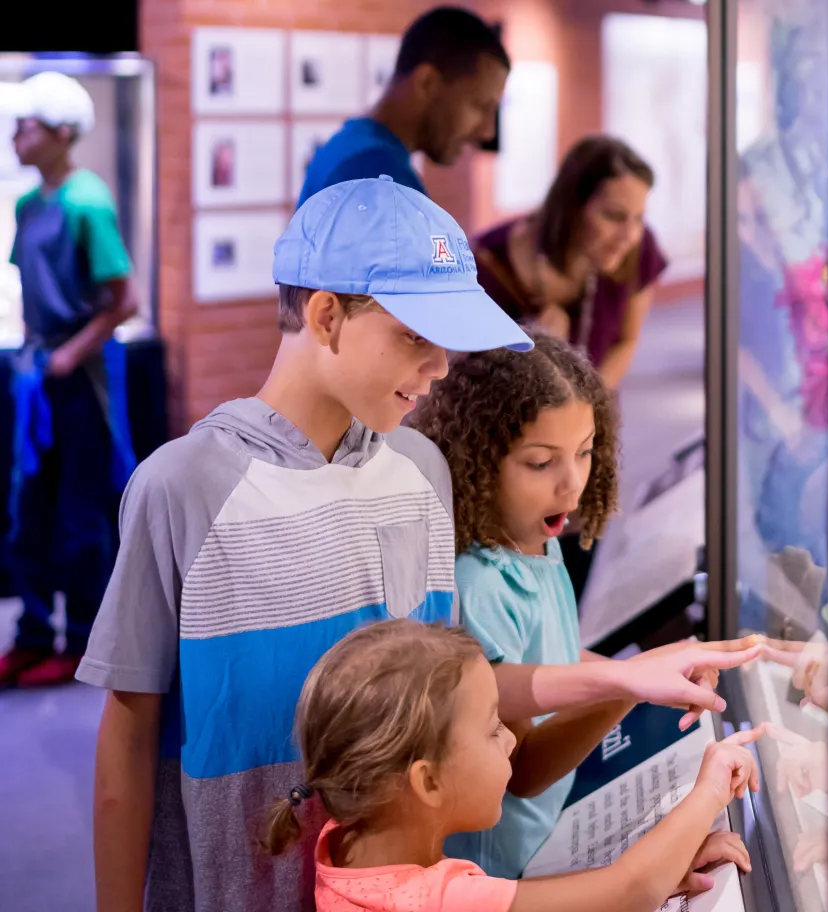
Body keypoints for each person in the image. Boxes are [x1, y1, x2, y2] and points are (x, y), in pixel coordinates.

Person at [76, 175, 766, 912]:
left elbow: (453, 691)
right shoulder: (179, 487)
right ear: (326, 314)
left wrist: (627, 679)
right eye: (415, 337)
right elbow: (128, 736)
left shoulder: (421, 470)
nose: (439, 369)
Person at [265, 618, 763, 912]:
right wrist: (711, 789)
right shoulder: (435, 901)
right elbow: (629, 891)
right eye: (493, 727)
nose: (510, 740)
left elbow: (501, 899)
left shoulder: (351, 842)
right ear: (428, 781)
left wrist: (668, 866)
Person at [411, 333, 638, 876]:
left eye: (584, 452)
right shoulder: (481, 583)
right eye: (541, 463)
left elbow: (550, 656)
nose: (572, 484)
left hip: (544, 839)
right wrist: (628, 686)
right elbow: (524, 769)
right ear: (477, 461)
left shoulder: (535, 544)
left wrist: (653, 675)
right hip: (504, 868)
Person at [0, 71, 138, 688]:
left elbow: (124, 298)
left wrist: (71, 351)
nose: (14, 136)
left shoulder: (87, 200)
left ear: (59, 133)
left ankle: (81, 641)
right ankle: (32, 634)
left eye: (25, 125)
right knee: (27, 508)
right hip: (38, 375)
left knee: (81, 513)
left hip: (79, 377)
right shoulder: (29, 205)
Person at [471, 136, 668, 390]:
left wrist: (591, 405)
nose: (629, 236)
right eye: (614, 216)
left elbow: (626, 341)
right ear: (571, 207)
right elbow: (470, 383)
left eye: (639, 218)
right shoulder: (488, 263)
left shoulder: (640, 248)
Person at [297, 6, 508, 206]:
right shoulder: (377, 175)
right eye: (480, 106)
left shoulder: (351, 148)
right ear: (427, 83)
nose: (487, 132)